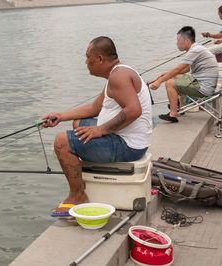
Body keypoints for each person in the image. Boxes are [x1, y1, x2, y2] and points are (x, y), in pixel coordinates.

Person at [41, 36, 152, 216]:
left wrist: (101, 130)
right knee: (78, 123)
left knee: (62, 141)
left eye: (88, 57)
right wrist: (60, 116)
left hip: (128, 145)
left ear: (100, 58)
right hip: (124, 136)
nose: (86, 62)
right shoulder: (116, 73)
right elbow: (94, 108)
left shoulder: (119, 76)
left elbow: (133, 110)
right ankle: (79, 182)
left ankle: (77, 195)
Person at [150, 26, 219, 123]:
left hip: (204, 87)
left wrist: (159, 81)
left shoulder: (195, 50)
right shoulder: (196, 48)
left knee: (169, 83)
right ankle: (181, 107)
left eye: (178, 40)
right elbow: (185, 69)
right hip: (204, 83)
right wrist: (168, 74)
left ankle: (173, 114)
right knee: (174, 76)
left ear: (186, 40)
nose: (176, 43)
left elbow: (179, 68)